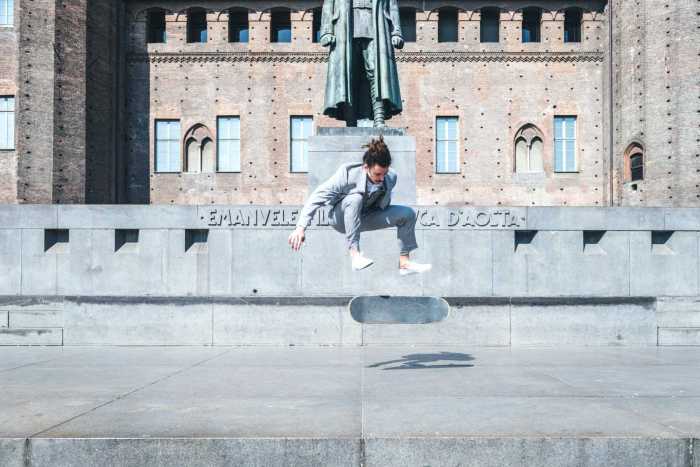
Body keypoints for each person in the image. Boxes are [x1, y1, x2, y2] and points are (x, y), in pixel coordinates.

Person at [287, 137, 431, 275]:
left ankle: (404, 263)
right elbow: (317, 196)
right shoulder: (347, 174)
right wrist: (300, 228)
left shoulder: (391, 177)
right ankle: (355, 255)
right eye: (377, 174)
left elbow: (384, 194)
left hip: (366, 216)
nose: (382, 178)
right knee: (355, 198)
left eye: (384, 173)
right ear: (365, 167)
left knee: (407, 213)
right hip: (340, 219)